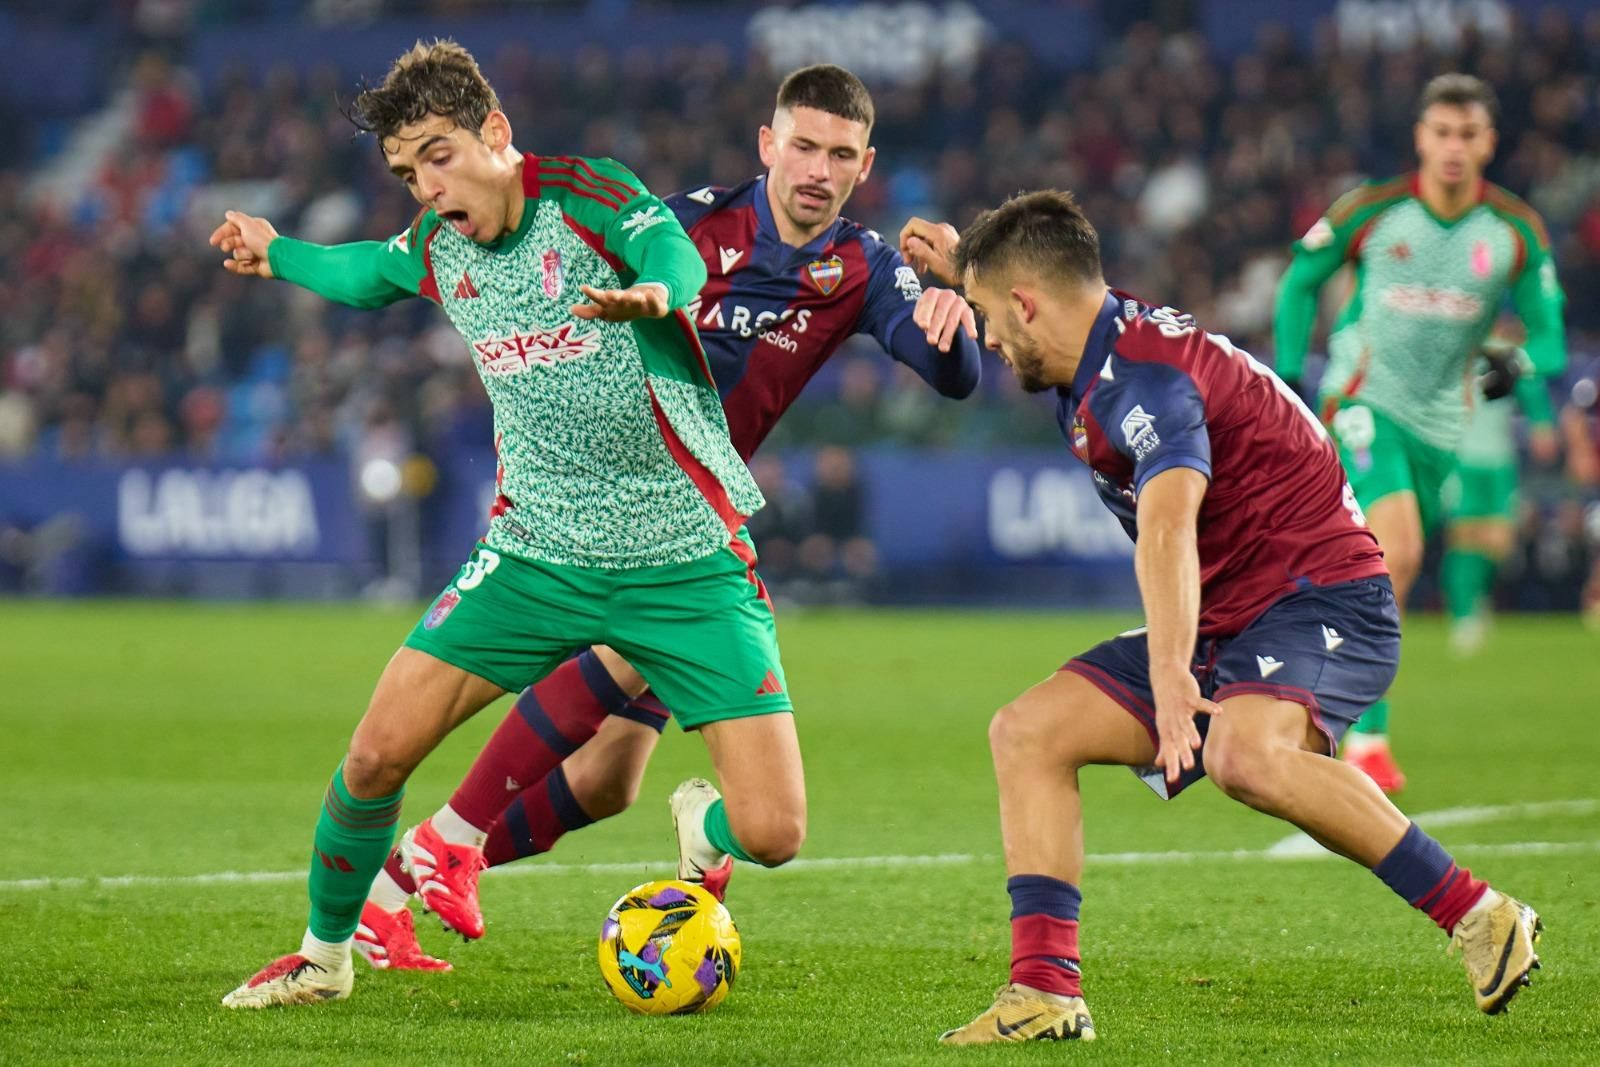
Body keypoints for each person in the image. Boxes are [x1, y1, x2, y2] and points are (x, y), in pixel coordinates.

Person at [208, 39, 813, 1007]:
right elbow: (369, 273)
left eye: (438, 156)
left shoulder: (583, 195)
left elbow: (664, 244)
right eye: (407, 172)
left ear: (495, 133)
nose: (426, 186)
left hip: (685, 560)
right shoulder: (443, 248)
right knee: (373, 753)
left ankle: (701, 833)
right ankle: (325, 956)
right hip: (536, 551)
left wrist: (661, 290)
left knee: (776, 830)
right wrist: (275, 251)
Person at [354, 63, 982, 971]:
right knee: (621, 650)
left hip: (690, 523)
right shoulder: (684, 225)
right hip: (603, 515)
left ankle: (405, 885)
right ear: (768, 146)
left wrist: (953, 297)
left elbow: (952, 376)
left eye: (839, 154)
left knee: (609, 784)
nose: (817, 168)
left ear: (863, 165)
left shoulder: (860, 268)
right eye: (802, 145)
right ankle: (430, 855)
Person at [899, 190, 1541, 1044]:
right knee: (1028, 732)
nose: (983, 337)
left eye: (985, 314)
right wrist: (964, 262)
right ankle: (1046, 992)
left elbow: (1166, 527)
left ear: (1025, 302)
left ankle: (1482, 915)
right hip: (1233, 609)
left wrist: (1170, 674)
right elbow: (1045, 269)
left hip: (1321, 593)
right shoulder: (1096, 329)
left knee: (1244, 753)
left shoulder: (1146, 383)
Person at [1272, 73, 1566, 792]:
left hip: (1442, 424)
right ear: (1421, 139)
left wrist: (1518, 361)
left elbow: (1552, 337)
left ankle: (1309, 670)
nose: (1454, 148)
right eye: (1442, 133)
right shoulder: (1374, 211)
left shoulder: (1513, 232)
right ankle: (1366, 740)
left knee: (1386, 567)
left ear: (1489, 141)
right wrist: (1286, 380)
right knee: (1395, 548)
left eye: (1468, 134)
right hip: (1361, 398)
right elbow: (1299, 280)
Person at [1441, 344, 1559, 653]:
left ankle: (1477, 596)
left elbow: (1531, 387)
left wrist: (1542, 424)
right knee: (1464, 537)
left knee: (1499, 540)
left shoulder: (1510, 358)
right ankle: (1464, 614)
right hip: (1463, 458)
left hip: (1500, 462)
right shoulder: (1456, 353)